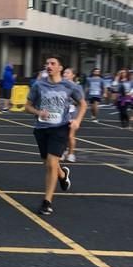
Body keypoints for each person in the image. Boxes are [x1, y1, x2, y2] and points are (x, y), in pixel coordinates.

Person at [25, 56, 86, 215]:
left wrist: (77, 121)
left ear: (60, 68)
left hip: (60, 128)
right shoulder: (39, 85)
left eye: (53, 63)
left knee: (52, 164)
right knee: (48, 163)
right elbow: (27, 106)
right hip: (41, 128)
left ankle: (47, 202)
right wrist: (38, 112)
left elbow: (83, 104)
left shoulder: (69, 85)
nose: (49, 66)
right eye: (47, 63)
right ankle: (63, 174)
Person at [61, 68, 82, 163]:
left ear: (73, 75)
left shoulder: (77, 87)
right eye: (64, 72)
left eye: (67, 72)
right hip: (61, 112)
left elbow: (81, 102)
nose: (65, 74)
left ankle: (71, 153)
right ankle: (63, 151)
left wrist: (78, 119)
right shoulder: (59, 85)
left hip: (72, 112)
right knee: (61, 134)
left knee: (70, 135)